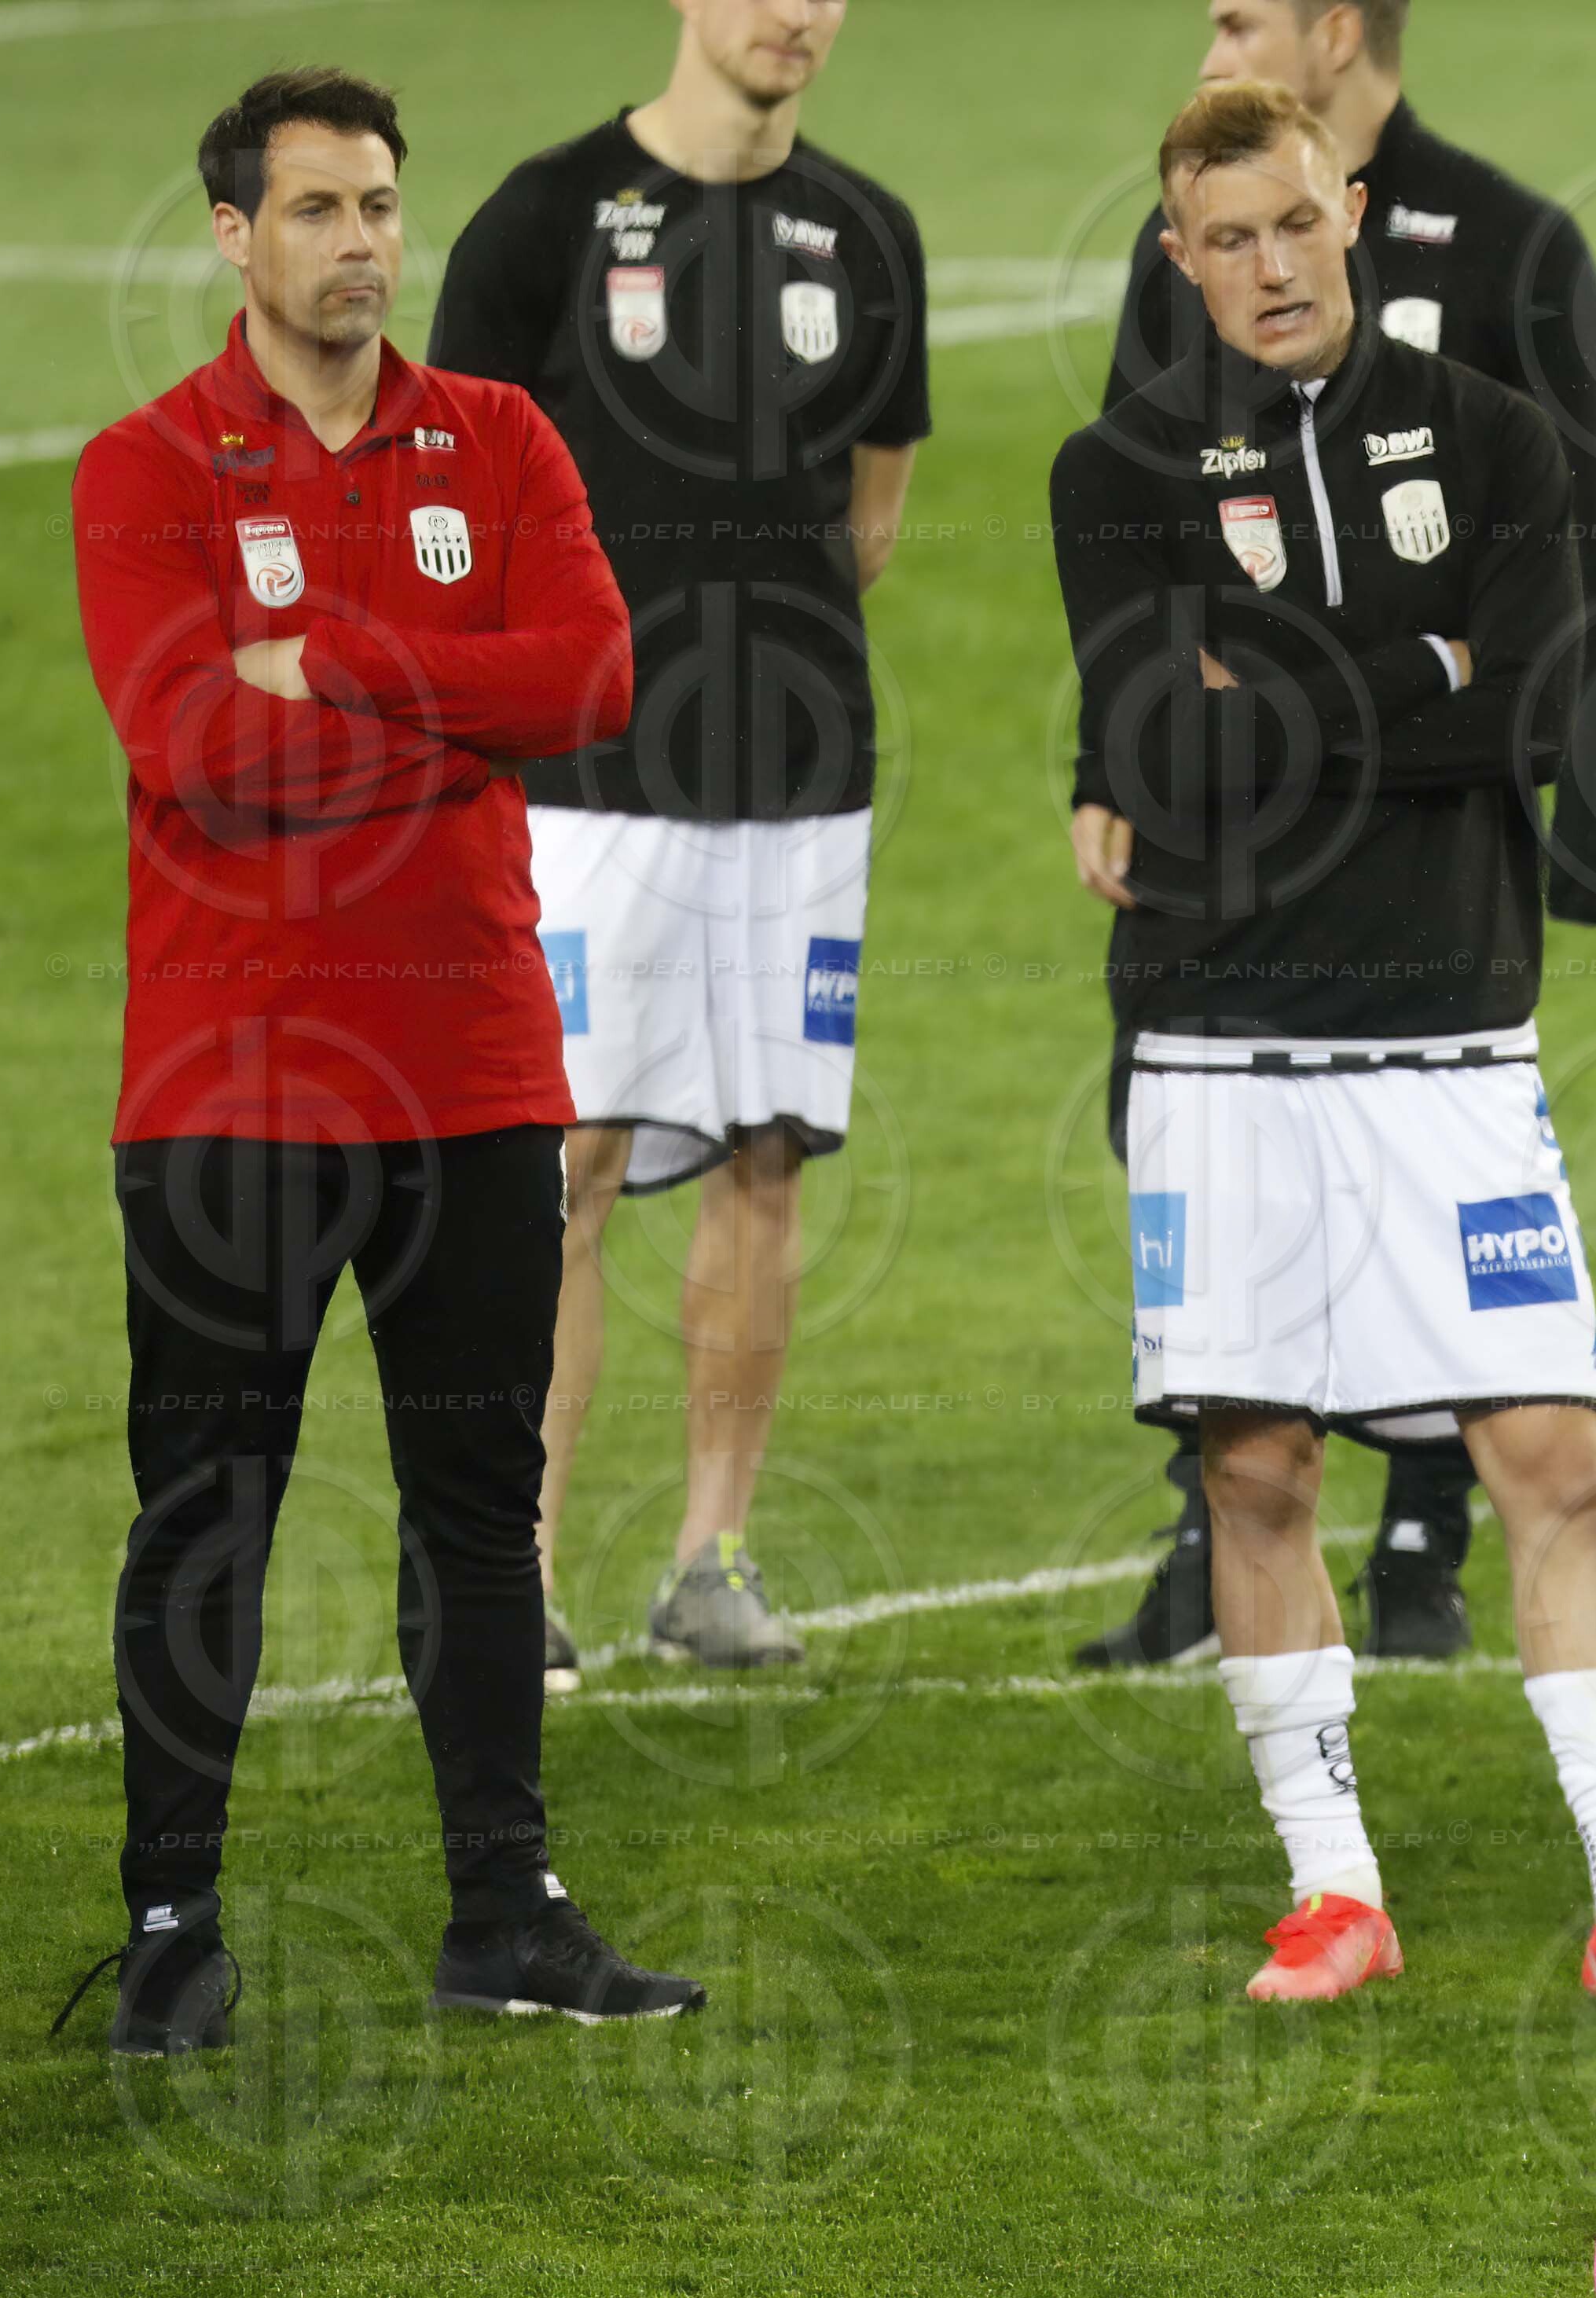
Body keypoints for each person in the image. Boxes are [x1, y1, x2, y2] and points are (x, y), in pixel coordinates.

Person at [63, 67, 705, 2056]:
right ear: (234, 235)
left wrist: (340, 659)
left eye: (378, 208)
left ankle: (502, 1911)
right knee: (207, 1512)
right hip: (231, 1091)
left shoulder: (498, 439)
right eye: (319, 208)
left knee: (476, 1505)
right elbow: (195, 752)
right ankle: (173, 1924)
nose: (359, 242)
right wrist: (456, 712)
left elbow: (590, 677)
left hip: (476, 1073)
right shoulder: (145, 469)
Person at [1048, 82, 1596, 2007]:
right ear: (1179, 257)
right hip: (1219, 1042)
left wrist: (1283, 684)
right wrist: (1415, 665)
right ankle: (1334, 1889)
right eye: (1224, 242)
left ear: (1351, 210)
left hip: (1447, 1037)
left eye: (1294, 226)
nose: (1267, 268)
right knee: (1256, 1471)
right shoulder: (1119, 471)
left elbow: (1529, 717)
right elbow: (1166, 750)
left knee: (1554, 1457)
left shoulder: (1498, 437)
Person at [1075, 0, 1596, 1676]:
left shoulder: (1518, 251)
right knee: (1247, 1386)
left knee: (1497, 1357)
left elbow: (1569, 597)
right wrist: (1124, 756)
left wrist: (1579, 790)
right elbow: (1138, 606)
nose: (1208, 34)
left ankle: (1419, 1545)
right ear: (1190, 256)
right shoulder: (1150, 355)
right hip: (1223, 941)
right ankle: (1222, 1563)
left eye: (1240, 10)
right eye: (1226, 242)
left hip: (1442, 938)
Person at [428, 0, 928, 1683]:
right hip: (587, 780)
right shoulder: (545, 218)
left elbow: (870, 519)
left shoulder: (869, 231)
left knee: (767, 1150)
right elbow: (450, 501)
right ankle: (522, 1564)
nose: (797, 14)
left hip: (801, 775)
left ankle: (713, 1554)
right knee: (562, 1162)